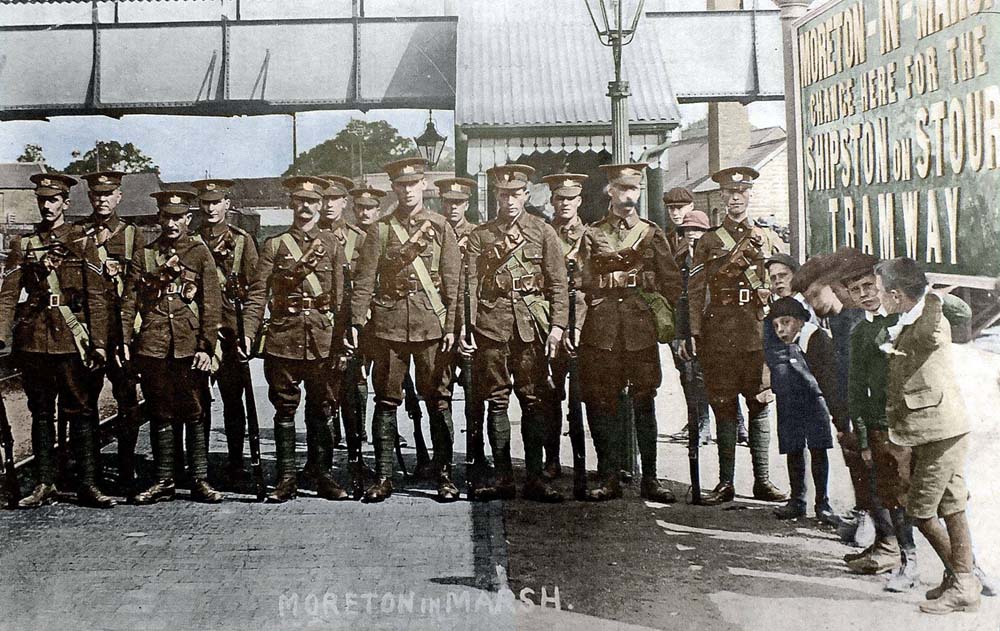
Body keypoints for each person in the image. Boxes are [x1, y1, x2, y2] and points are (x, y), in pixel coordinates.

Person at [346, 158, 461, 503]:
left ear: (424, 185)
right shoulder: (379, 230)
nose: (408, 190)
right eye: (401, 185)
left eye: (413, 184)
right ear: (393, 189)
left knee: (438, 401)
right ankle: (383, 476)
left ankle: (444, 475)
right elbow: (365, 281)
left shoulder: (441, 227)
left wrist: (452, 326)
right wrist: (355, 322)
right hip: (389, 327)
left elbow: (453, 282)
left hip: (430, 325)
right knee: (385, 400)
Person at [874, 257, 981, 614]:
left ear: (895, 294)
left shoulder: (927, 321)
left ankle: (964, 583)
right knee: (951, 505)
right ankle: (958, 578)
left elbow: (934, 333)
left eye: (880, 292)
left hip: (940, 432)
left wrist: (932, 295)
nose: (877, 298)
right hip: (937, 430)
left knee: (920, 512)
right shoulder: (907, 321)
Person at [0, 173, 111, 508]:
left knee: (81, 410)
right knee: (41, 412)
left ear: (66, 202)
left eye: (54, 200)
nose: (47, 206)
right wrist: (1, 336)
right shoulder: (25, 244)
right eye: (42, 200)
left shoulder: (82, 242)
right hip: (34, 341)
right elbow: (7, 296)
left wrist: (100, 342)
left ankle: (88, 484)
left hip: (70, 340)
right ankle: (45, 483)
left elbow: (97, 297)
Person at [459, 164, 568, 502]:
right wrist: (468, 327)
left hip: (530, 330)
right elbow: (471, 286)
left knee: (533, 401)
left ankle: (535, 478)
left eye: (516, 193)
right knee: (496, 402)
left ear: (526, 195)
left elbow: (558, 283)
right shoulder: (481, 235)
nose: (509, 200)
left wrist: (557, 327)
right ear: (496, 195)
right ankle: (504, 477)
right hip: (491, 328)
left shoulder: (543, 231)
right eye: (503, 194)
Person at [574, 163, 681, 502]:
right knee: (603, 404)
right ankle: (608, 477)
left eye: (633, 189)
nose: (628, 196)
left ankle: (650, 477)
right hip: (602, 330)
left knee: (644, 402)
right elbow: (581, 282)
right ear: (610, 191)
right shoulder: (592, 234)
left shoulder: (652, 233)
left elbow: (671, 281)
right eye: (622, 189)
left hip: (639, 331)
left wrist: (655, 307)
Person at [243, 176, 348, 503]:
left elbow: (342, 296)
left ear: (320, 206)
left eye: (312, 202)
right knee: (284, 408)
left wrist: (343, 338)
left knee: (322, 408)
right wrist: (248, 333)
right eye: (300, 201)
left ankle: (323, 474)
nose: (306, 207)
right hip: (283, 337)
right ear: (292, 204)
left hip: (321, 337)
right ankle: (286, 478)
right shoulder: (275, 244)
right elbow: (258, 293)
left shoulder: (331, 245)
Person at [687, 166, 787, 505]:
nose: (734, 199)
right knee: (723, 403)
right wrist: (695, 332)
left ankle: (763, 480)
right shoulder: (709, 241)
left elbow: (781, 284)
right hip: (719, 332)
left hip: (757, 331)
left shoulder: (768, 238)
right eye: (729, 194)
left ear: (749, 196)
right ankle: (725, 482)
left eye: (740, 193)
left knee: (760, 401)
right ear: (720, 198)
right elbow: (696, 289)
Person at [122, 190, 224, 505]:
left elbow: (211, 304)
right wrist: (126, 339)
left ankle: (199, 480)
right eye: (167, 217)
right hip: (154, 346)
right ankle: (164, 480)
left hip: (189, 345)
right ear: (159, 218)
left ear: (188, 220)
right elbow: (130, 300)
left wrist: (207, 347)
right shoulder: (146, 254)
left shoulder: (199, 253)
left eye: (178, 218)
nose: (172, 224)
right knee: (160, 412)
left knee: (194, 411)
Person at [76, 171, 146, 494]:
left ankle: (127, 470)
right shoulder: (78, 234)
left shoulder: (132, 235)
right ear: (90, 197)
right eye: (96, 195)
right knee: (85, 401)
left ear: (119, 197)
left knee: (127, 400)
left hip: (121, 333)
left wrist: (128, 336)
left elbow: (135, 286)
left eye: (109, 194)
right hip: (90, 331)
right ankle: (89, 475)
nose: (102, 200)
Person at [191, 178, 259, 482]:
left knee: (233, 398)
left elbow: (256, 286)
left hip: (230, 328)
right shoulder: (190, 240)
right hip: (196, 327)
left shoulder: (242, 241)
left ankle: (235, 461)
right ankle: (199, 464)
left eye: (216, 202)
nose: (210, 208)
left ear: (226, 205)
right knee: (197, 399)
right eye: (205, 203)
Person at [766, 296, 837, 522]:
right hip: (789, 402)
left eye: (786, 322)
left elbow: (827, 375)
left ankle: (822, 503)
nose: (781, 330)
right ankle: (797, 499)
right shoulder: (778, 344)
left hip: (814, 401)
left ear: (800, 320)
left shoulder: (816, 338)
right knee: (793, 448)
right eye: (776, 325)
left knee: (818, 448)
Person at [540, 172, 588, 482]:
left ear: (579, 201)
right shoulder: (543, 234)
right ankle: (552, 458)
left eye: (570, 199)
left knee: (586, 396)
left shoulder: (592, 235)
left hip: (585, 327)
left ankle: (585, 462)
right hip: (552, 324)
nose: (565, 204)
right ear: (552, 201)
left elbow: (592, 287)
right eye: (559, 198)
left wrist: (578, 326)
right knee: (550, 395)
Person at [672, 210, 712, 446]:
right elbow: (679, 299)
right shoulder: (681, 261)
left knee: (719, 375)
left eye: (697, 230)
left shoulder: (715, 257)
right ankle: (701, 424)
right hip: (689, 323)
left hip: (713, 323)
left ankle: (739, 425)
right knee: (694, 375)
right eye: (688, 231)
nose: (692, 235)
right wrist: (680, 334)